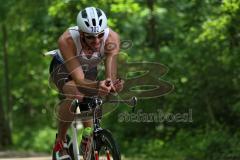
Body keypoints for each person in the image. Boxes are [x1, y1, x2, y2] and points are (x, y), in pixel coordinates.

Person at [49, 7, 123, 160]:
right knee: (75, 93)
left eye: (100, 35)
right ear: (81, 33)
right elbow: (79, 80)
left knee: (92, 100)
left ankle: (87, 138)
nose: (96, 41)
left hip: (88, 67)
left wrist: (111, 86)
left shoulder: (112, 39)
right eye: (90, 37)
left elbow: (110, 75)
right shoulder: (67, 40)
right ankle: (60, 143)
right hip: (62, 67)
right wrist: (97, 85)